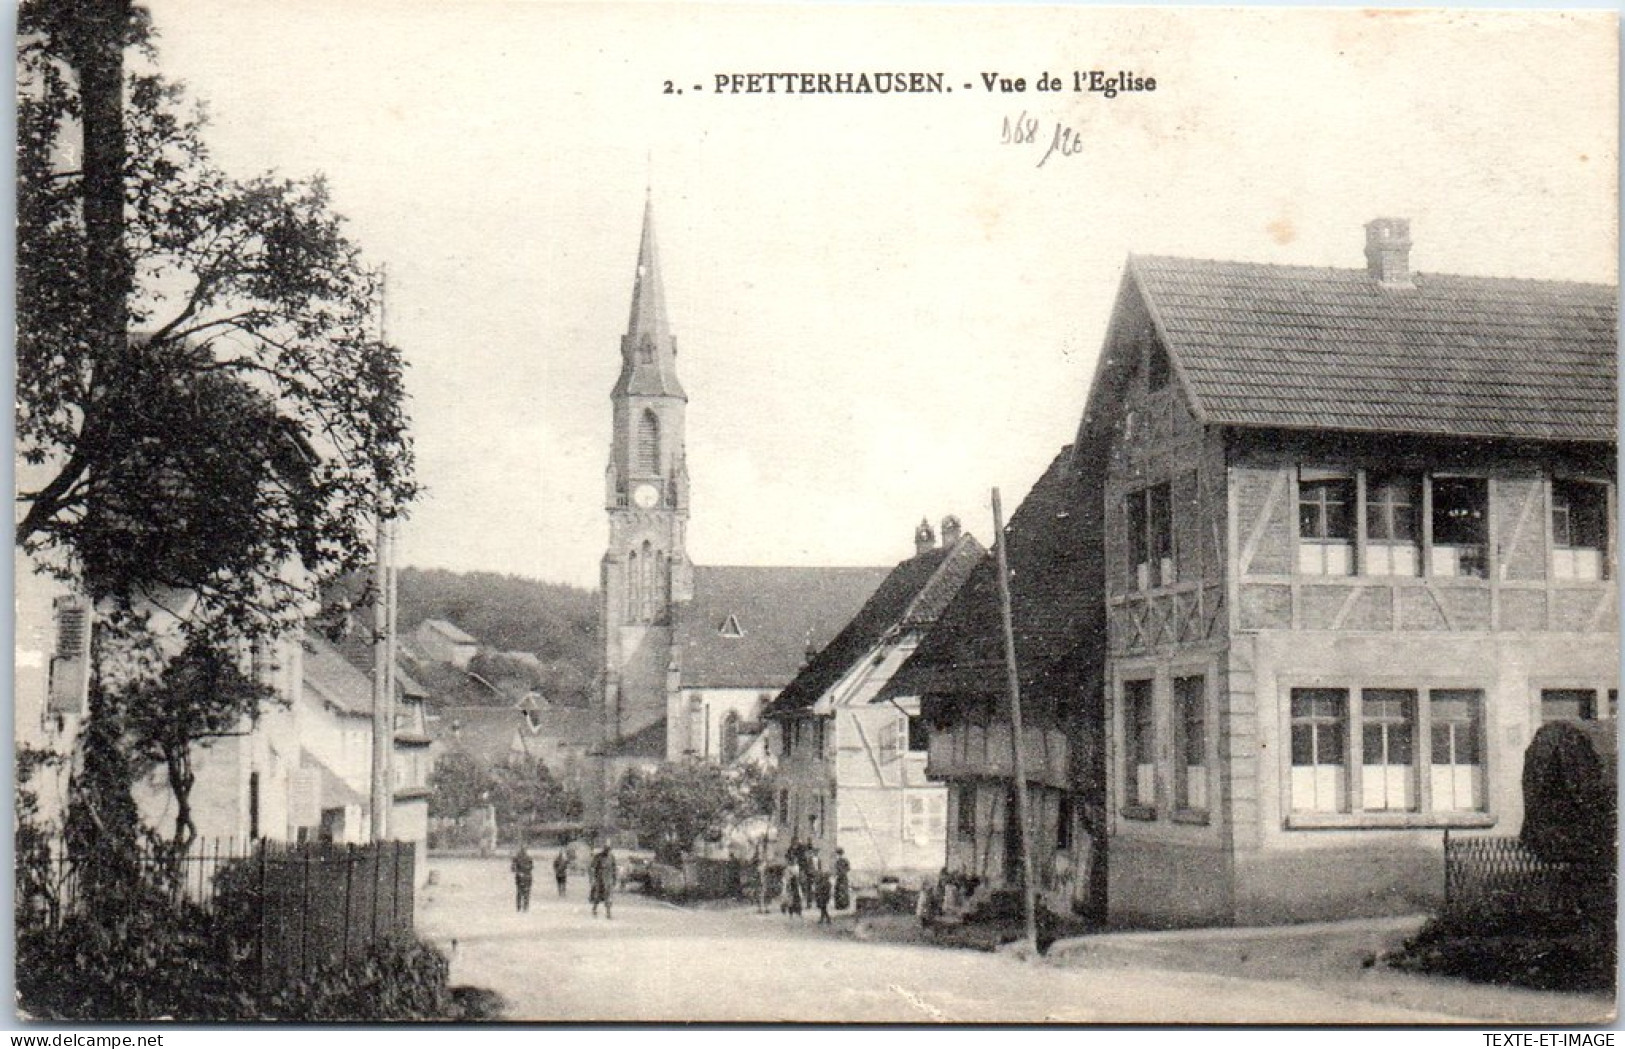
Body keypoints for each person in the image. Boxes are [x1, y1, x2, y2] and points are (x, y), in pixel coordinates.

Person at [589, 844, 617, 919]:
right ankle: (594, 909)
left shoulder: (611, 857)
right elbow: (592, 867)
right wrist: (592, 879)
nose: (607, 851)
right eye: (606, 849)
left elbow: (614, 869)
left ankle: (608, 913)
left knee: (608, 897)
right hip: (599, 880)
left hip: (608, 880)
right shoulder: (598, 857)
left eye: (608, 850)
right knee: (598, 897)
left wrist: (614, 879)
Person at [511, 845, 535, 912]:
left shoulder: (517, 858)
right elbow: (531, 867)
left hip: (523, 877)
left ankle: (522, 907)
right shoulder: (527, 858)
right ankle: (524, 907)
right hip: (526, 877)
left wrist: (519, 872)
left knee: (521, 893)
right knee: (524, 893)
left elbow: (513, 868)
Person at [812, 861, 833, 925]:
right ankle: (825, 919)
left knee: (823, 908)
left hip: (823, 897)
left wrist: (817, 892)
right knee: (823, 908)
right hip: (823, 897)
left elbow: (823, 890)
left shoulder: (825, 883)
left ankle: (826, 919)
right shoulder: (825, 883)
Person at [832, 848, 851, 912]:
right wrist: (836, 874)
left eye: (839, 854)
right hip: (839, 877)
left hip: (843, 877)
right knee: (838, 890)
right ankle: (839, 905)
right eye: (838, 854)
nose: (838, 855)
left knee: (843, 890)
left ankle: (844, 905)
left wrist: (843, 872)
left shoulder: (845, 860)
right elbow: (835, 869)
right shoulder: (837, 861)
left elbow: (848, 868)